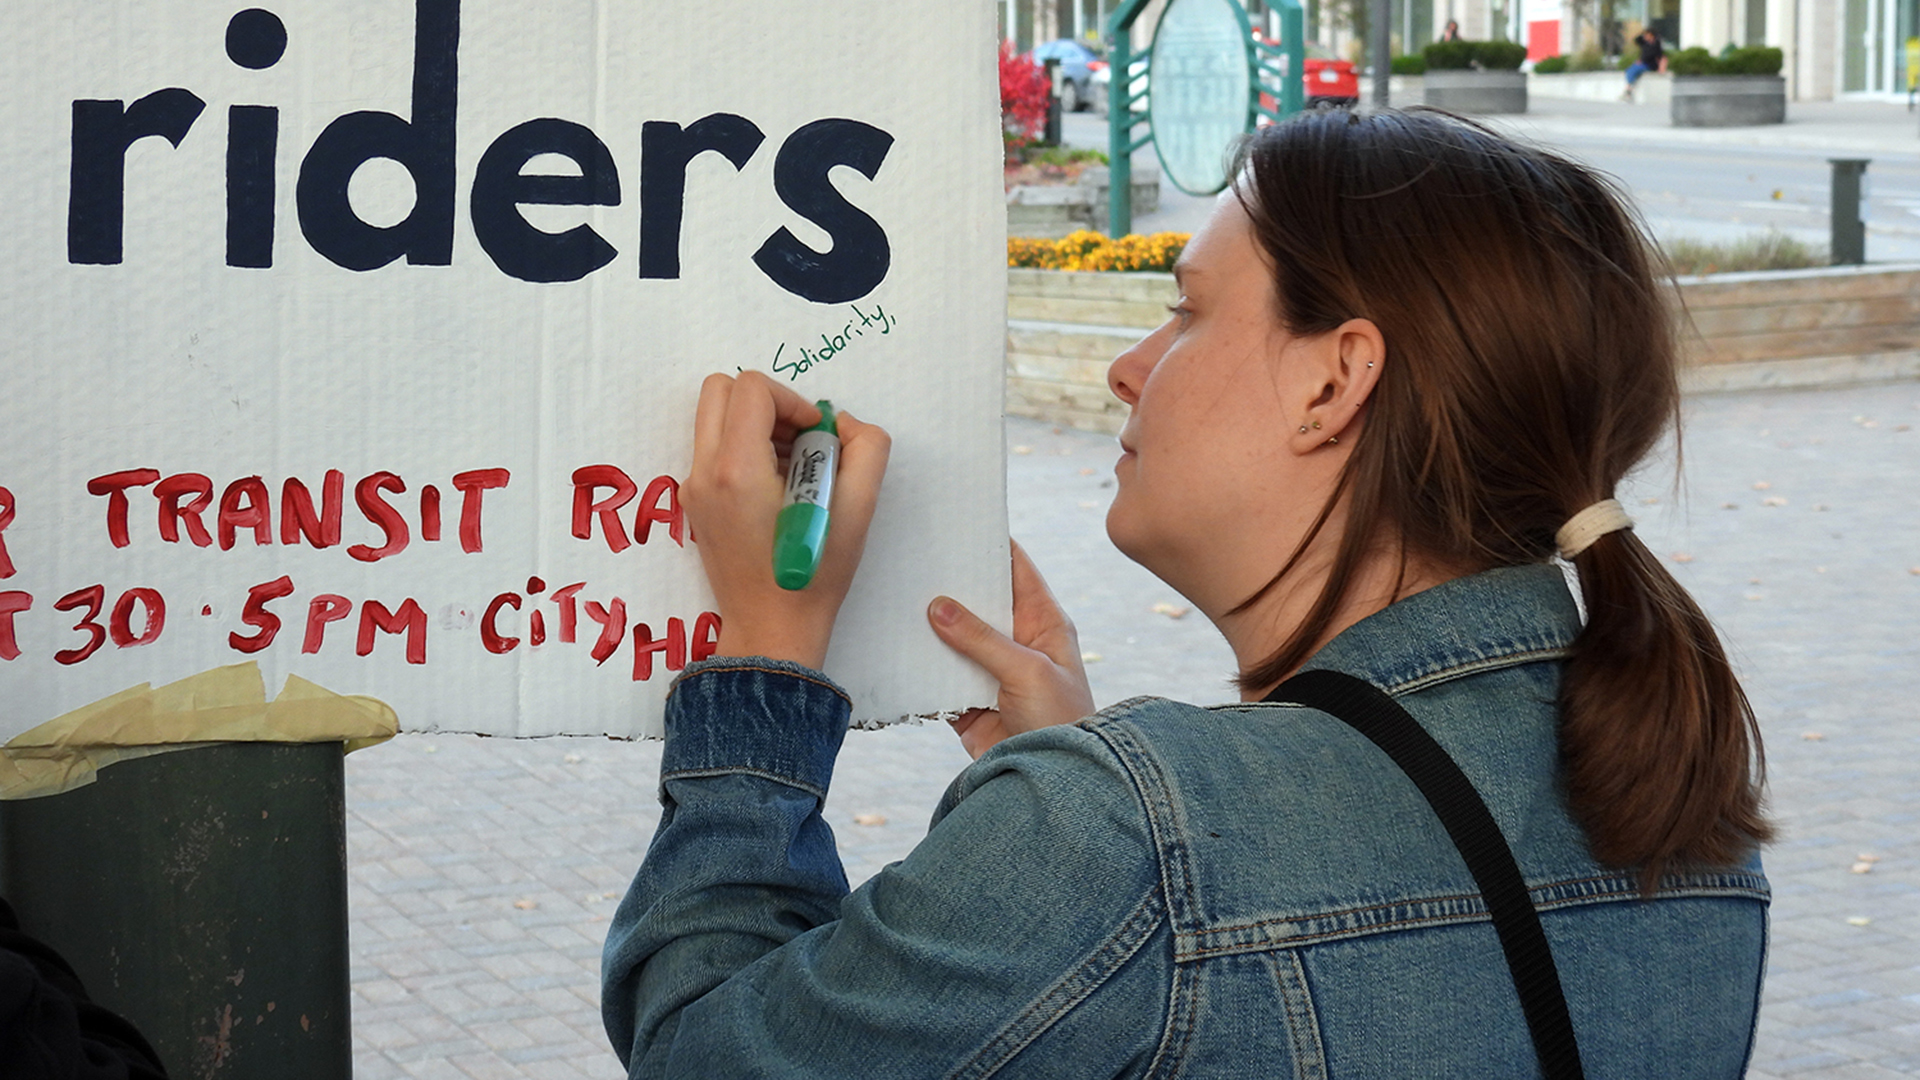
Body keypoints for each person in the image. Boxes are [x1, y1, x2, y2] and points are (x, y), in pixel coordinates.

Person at [600, 108, 1771, 1078]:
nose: (1129, 367)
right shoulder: (1685, 807)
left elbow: (702, 1051)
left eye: (1189, 309)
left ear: (1334, 381)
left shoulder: (1127, 838)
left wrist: (764, 662)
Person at [1623, 28, 1667, 100]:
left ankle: (1628, 89)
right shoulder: (1644, 43)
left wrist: (1661, 67)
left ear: (1652, 36)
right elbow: (1637, 39)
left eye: (1648, 35)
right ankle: (1629, 89)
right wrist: (1642, 33)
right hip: (1642, 63)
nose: (1646, 37)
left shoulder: (1656, 45)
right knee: (1629, 70)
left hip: (1650, 65)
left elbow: (1661, 57)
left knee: (1633, 70)